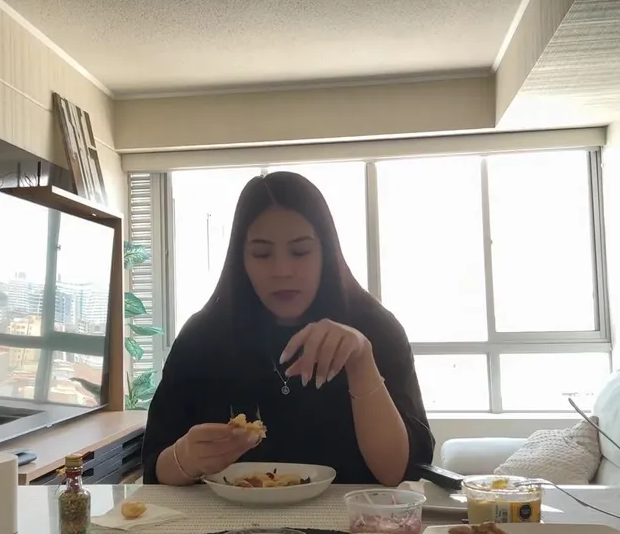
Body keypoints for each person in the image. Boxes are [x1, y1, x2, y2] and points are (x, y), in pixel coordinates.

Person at [142, 171, 435, 486]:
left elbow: (401, 474)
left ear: (326, 253)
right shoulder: (202, 337)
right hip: (225, 519)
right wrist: (185, 458)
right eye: (262, 254)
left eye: (300, 251)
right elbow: (155, 472)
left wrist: (361, 361)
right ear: (241, 259)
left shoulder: (376, 329)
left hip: (353, 518)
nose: (282, 271)